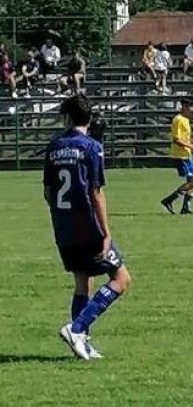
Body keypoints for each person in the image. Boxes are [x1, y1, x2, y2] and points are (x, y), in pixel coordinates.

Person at [44, 95, 132, 361]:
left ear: (67, 117)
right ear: (90, 118)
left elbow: (48, 192)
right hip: (89, 227)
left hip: (64, 228)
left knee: (83, 282)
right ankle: (76, 328)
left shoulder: (54, 146)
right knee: (121, 279)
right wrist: (106, 233)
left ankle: (82, 343)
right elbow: (96, 192)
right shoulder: (92, 147)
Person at [161, 98, 193, 215]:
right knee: (192, 182)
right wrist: (191, 146)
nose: (191, 110)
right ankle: (169, 200)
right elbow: (176, 139)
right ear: (184, 107)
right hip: (181, 155)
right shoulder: (178, 120)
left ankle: (185, 207)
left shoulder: (186, 120)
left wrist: (190, 146)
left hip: (187, 154)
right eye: (189, 107)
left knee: (191, 181)